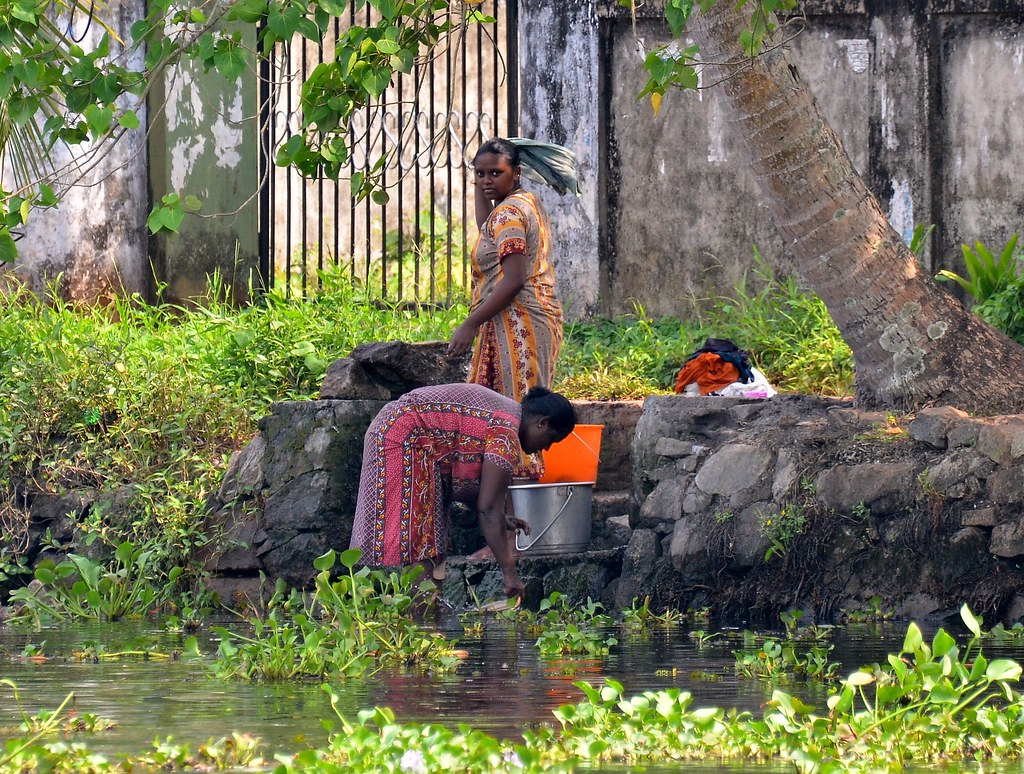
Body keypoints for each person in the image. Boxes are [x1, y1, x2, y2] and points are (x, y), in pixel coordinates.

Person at [349, 382, 577, 599]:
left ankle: (428, 619)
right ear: (542, 423)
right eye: (551, 440)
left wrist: (500, 517)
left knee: (432, 539)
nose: (545, 448)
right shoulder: (506, 432)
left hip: (405, 433)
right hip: (404, 437)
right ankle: (422, 622)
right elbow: (487, 509)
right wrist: (509, 572)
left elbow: (487, 502)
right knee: (423, 541)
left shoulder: (506, 420)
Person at [448, 137, 575, 402]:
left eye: (496, 173)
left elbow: (514, 279)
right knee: (512, 410)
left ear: (516, 173)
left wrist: (470, 324)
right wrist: (482, 183)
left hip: (520, 321)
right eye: (480, 174)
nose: (486, 180)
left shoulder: (510, 213)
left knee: (516, 411)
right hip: (526, 318)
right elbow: (487, 227)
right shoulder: (524, 201)